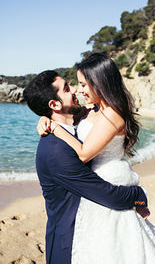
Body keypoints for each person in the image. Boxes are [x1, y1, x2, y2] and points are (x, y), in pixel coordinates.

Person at [38, 53, 155, 264]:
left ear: (98, 82)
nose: (79, 90)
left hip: (109, 178)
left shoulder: (113, 114)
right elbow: (65, 113)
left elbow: (83, 153)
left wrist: (56, 129)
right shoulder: (91, 110)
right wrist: (45, 117)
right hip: (97, 180)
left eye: (83, 84)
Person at [23, 70, 148, 264]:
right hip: (70, 244)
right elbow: (106, 194)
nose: (74, 89)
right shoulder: (57, 150)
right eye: (66, 88)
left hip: (93, 232)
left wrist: (46, 119)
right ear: (54, 105)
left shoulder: (74, 129)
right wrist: (139, 195)